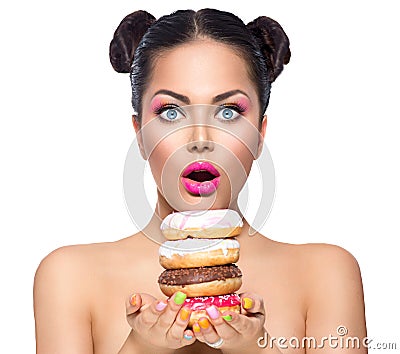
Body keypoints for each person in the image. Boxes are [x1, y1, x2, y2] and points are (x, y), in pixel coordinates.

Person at [33, 8, 367, 354]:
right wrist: (141, 347)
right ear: (141, 135)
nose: (200, 138)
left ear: (259, 134)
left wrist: (253, 349)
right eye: (171, 112)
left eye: (228, 112)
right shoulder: (68, 277)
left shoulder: (326, 275)